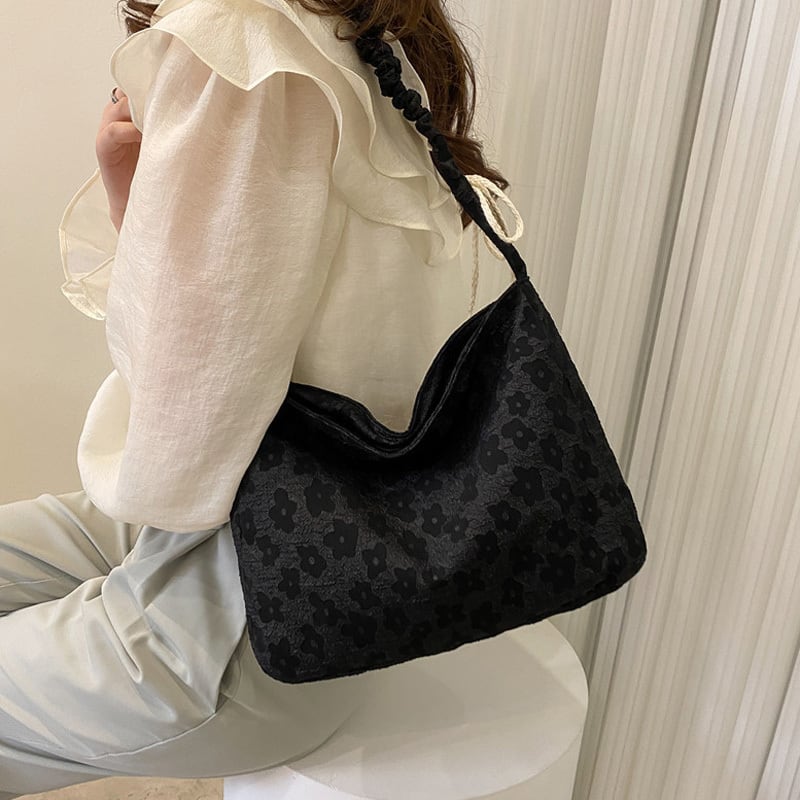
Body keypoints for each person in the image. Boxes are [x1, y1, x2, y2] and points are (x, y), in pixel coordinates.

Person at [0, 0, 518, 794]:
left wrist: (137, 203)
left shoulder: (237, 45)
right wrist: (136, 191)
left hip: (246, 622)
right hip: (308, 534)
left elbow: (180, 448)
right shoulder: (354, 27)